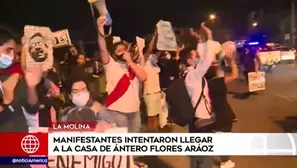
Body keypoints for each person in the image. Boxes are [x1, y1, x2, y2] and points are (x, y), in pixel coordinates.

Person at [97, 16, 148, 168]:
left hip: (134, 111)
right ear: (114, 54)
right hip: (116, 111)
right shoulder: (110, 64)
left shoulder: (134, 65)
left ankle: (131, 163)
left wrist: (130, 62)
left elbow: (143, 77)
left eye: (123, 50)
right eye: (118, 51)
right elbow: (102, 47)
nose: (122, 52)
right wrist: (100, 29)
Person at [181, 23, 220, 168]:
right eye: (195, 56)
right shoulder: (193, 75)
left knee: (199, 155)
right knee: (204, 158)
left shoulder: (190, 73)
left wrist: (199, 41)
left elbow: (203, 58)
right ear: (189, 61)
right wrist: (208, 37)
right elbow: (207, 60)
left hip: (197, 118)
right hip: (202, 119)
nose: (198, 57)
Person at [0, 26, 41, 134]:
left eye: (14, 51)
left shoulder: (14, 77)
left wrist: (31, 87)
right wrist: (6, 101)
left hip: (21, 141)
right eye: (8, 50)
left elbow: (32, 109)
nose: (12, 56)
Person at [204, 50, 238, 168]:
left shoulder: (202, 84)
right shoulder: (218, 82)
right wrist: (231, 61)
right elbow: (234, 75)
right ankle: (225, 162)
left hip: (209, 114)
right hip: (223, 113)